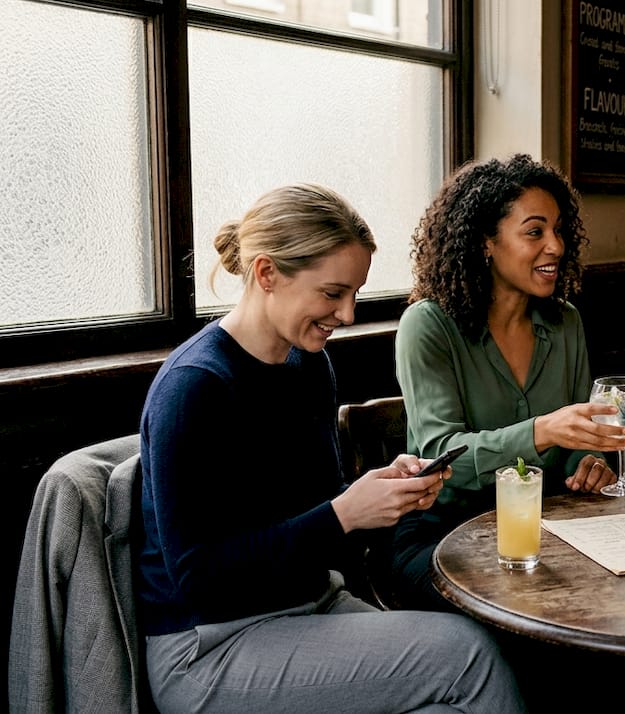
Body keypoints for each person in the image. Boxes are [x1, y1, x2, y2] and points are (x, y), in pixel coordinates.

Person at [136, 183, 524, 713]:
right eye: (332, 293)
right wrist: (345, 512)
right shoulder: (196, 386)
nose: (347, 315)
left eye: (355, 294)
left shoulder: (308, 366)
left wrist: (386, 498)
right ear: (267, 273)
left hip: (308, 608)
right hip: (210, 649)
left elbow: (320, 514)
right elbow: (198, 576)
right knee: (469, 655)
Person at [389, 154, 624, 607]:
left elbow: (582, 439)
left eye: (558, 230)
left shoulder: (564, 322)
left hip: (546, 527)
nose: (555, 246)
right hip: (444, 534)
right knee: (539, 605)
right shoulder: (428, 325)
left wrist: (588, 465)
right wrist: (542, 431)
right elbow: (442, 459)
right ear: (486, 243)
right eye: (535, 232)